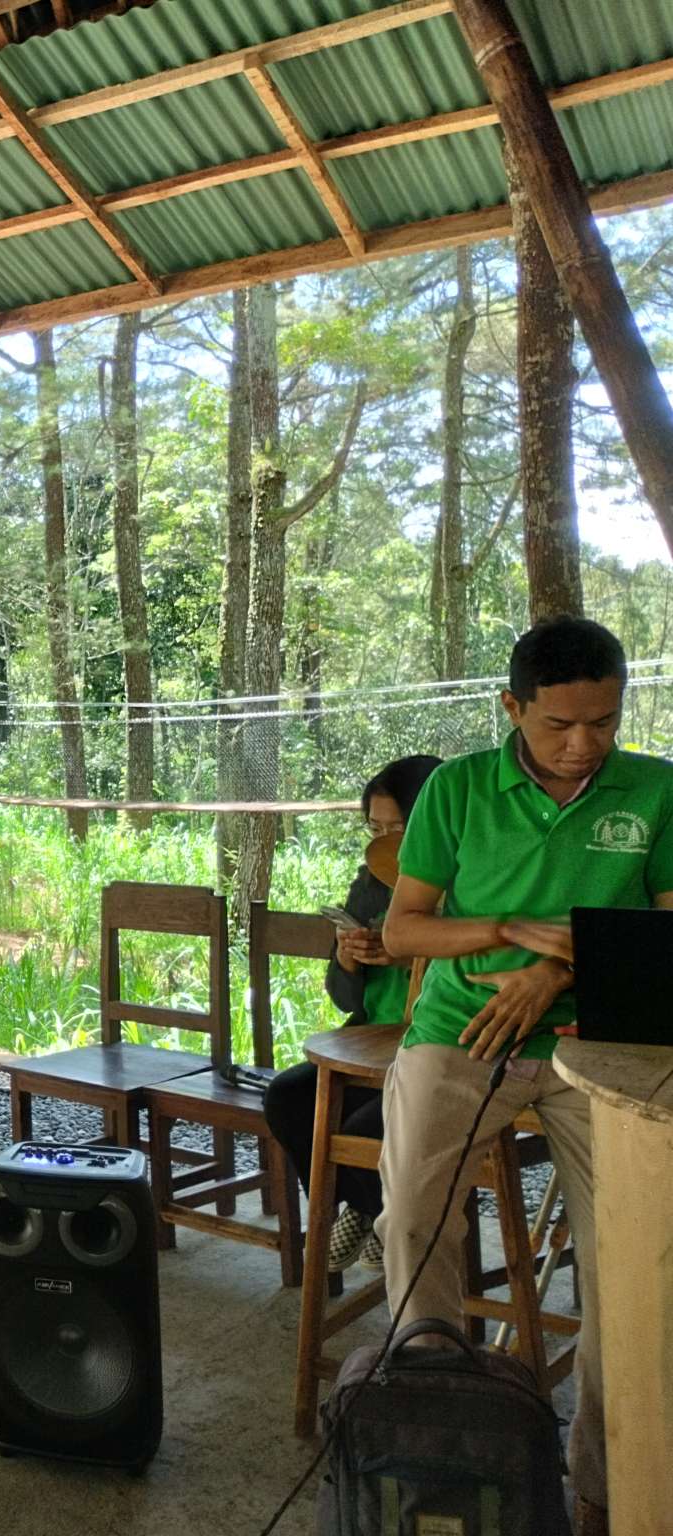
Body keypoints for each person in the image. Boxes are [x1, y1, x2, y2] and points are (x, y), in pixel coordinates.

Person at [378, 616, 673, 1536]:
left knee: (631, 1256)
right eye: (560, 725)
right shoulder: (460, 789)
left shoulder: (659, 790)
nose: (585, 745)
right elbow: (403, 933)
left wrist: (560, 967)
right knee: (413, 1218)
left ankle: (606, 1479)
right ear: (513, 708)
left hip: (607, 1048)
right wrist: (506, 931)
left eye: (604, 722)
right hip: (461, 1032)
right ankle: (442, 1437)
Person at [261, 754, 441, 1272]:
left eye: (399, 828)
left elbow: (476, 970)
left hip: (429, 1044)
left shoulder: (464, 881)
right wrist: (347, 958)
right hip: (373, 1040)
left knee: (363, 1127)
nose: (386, 840)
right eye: (375, 827)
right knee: (289, 1098)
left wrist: (412, 951)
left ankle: (378, 1214)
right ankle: (364, 1208)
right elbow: (346, 1000)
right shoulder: (369, 884)